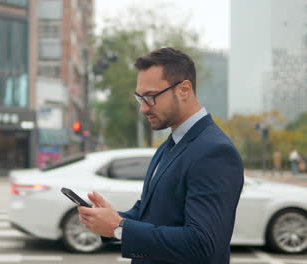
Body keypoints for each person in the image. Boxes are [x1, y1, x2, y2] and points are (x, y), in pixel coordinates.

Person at [78, 47, 244, 264]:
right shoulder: (170, 144)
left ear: (184, 89)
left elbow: (203, 244)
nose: (143, 108)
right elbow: (152, 212)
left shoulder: (215, 152)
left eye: (150, 97)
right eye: (140, 98)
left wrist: (120, 229)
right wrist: (112, 219)